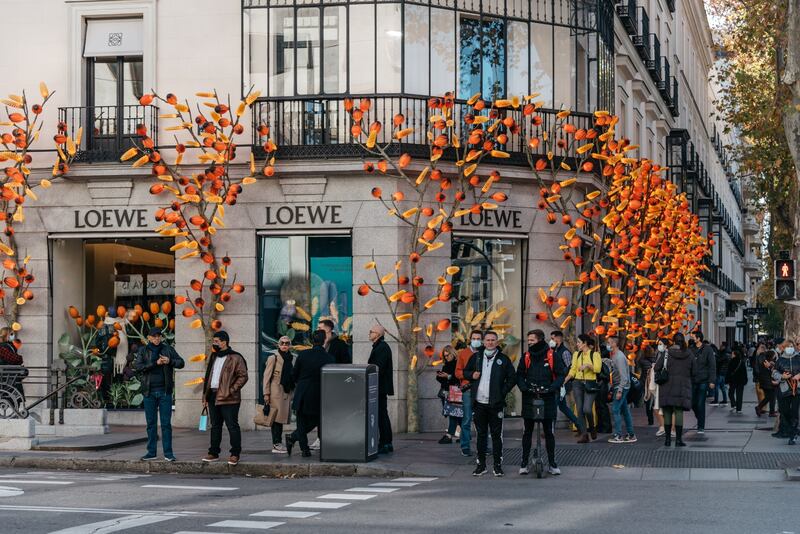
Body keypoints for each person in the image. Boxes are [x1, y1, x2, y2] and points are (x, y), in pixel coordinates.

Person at [464, 330, 516, 477]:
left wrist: (502, 392)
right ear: (483, 342)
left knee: (496, 435)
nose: (490, 342)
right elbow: (465, 371)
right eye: (487, 340)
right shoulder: (476, 357)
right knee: (480, 434)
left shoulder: (503, 359)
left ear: (497, 342)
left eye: (493, 340)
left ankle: (497, 465)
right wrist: (471, 375)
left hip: (495, 403)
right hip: (479, 403)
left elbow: (512, 378)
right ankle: (481, 465)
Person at [517, 329, 565, 475]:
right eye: (528, 340)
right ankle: (524, 462)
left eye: (532, 340)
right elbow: (519, 375)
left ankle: (552, 463)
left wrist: (552, 388)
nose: (529, 343)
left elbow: (561, 374)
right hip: (529, 397)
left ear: (540, 340)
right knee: (527, 432)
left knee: (549, 433)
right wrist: (524, 388)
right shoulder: (526, 356)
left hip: (548, 397)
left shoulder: (552, 355)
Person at [133, 327, 185, 462]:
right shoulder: (143, 351)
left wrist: (170, 361)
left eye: (158, 336)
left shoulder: (168, 349)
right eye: (154, 336)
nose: (157, 339)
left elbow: (181, 363)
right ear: (149, 338)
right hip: (149, 392)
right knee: (151, 424)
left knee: (166, 424)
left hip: (164, 392)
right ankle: (151, 452)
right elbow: (138, 367)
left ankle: (168, 453)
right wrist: (155, 363)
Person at [202, 331, 248, 465]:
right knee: (215, 426)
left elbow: (243, 376)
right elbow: (208, 376)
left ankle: (235, 454)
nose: (214, 343)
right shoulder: (214, 356)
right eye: (214, 341)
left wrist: (231, 390)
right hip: (213, 395)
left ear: (224, 342)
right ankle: (213, 452)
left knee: (232, 426)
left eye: (216, 341)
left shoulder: (235, 357)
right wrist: (205, 396)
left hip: (229, 398)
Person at [286, 329, 335, 456]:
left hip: (303, 391)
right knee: (316, 421)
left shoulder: (303, 355)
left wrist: (299, 383)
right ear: (324, 340)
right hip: (319, 393)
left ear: (312, 340)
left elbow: (294, 374)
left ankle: (304, 449)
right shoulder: (329, 358)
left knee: (301, 421)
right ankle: (293, 438)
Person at [655, 333, 695, 447]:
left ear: (673, 341)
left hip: (667, 386)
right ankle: (678, 440)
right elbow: (694, 371)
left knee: (667, 412)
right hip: (682, 387)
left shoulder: (667, 353)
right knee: (678, 412)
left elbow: (657, 367)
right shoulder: (689, 354)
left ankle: (667, 440)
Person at [564, 334, 602, 443]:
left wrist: (588, 365)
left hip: (590, 384)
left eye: (579, 342)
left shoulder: (595, 355)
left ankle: (592, 427)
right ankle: (584, 434)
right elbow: (573, 370)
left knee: (587, 409)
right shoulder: (576, 354)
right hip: (577, 383)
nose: (577, 344)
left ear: (585, 343)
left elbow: (598, 369)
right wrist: (565, 380)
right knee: (579, 410)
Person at [263, 336, 295, 454]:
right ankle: (276, 444)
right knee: (276, 418)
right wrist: (266, 393)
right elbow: (266, 376)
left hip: (287, 391)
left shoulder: (292, 358)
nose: (284, 345)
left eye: (287, 343)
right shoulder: (273, 358)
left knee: (280, 419)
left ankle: (278, 443)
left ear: (290, 345)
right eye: (282, 343)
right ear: (278, 345)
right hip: (275, 390)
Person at [455, 329, 483, 456]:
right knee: (467, 419)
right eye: (474, 338)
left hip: (482, 389)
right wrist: (471, 375)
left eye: (478, 338)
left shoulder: (484, 353)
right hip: (468, 388)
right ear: (470, 339)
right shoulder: (463, 354)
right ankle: (465, 446)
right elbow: (457, 372)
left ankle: (484, 446)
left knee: (483, 419)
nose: (476, 340)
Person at [367, 325, 394, 454]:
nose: (369, 333)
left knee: (382, 414)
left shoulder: (382, 347)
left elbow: (378, 367)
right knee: (381, 414)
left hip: (380, 387)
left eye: (371, 332)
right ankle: (385, 442)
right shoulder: (379, 347)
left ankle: (386, 442)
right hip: (378, 386)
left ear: (377, 334)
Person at [608, 335, 636, 443]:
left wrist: (619, 390)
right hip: (621, 386)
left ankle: (618, 435)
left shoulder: (619, 357)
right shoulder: (615, 355)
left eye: (609, 343)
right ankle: (631, 434)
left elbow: (624, 376)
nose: (608, 345)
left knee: (615, 410)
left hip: (621, 387)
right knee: (625, 410)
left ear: (614, 344)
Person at [772, 339, 800, 444]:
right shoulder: (780, 360)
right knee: (785, 411)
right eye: (788, 346)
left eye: (791, 346)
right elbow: (774, 373)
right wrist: (782, 377)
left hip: (797, 390)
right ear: (783, 348)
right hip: (784, 390)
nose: (790, 348)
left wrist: (799, 376)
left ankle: (792, 436)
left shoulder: (798, 358)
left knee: (794, 412)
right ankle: (792, 430)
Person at [550, 330, 579, 430]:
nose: (551, 341)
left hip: (562, 383)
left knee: (553, 405)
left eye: (553, 338)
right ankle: (579, 425)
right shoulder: (554, 350)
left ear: (559, 338)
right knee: (562, 407)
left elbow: (570, 368)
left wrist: (563, 381)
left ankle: (550, 429)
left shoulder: (565, 352)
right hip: (557, 382)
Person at [688, 331, 716, 434]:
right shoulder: (691, 349)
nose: (692, 338)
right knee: (692, 403)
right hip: (692, 380)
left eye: (694, 337)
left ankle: (701, 426)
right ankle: (699, 417)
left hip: (703, 380)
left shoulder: (708, 349)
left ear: (698, 338)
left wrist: (712, 380)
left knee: (700, 403)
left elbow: (712, 366)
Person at [436, 345, 461, 444]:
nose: (446, 357)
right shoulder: (446, 365)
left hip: (455, 391)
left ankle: (449, 435)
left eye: (447, 355)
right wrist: (441, 376)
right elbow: (441, 380)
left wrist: (449, 376)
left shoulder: (457, 363)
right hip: (447, 392)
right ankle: (462, 434)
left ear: (453, 353)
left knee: (454, 414)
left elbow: (459, 377)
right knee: (455, 414)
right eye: (444, 356)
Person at [755, 350, 778, 417]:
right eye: (774, 355)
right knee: (772, 397)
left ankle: (763, 408)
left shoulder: (765, 362)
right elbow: (772, 372)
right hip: (769, 383)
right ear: (772, 356)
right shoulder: (768, 363)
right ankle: (770, 412)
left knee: (768, 397)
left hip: (765, 382)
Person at [726, 346, 748, 414]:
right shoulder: (742, 362)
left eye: (732, 354)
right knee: (739, 394)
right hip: (741, 381)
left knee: (730, 393)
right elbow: (745, 372)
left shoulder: (731, 362)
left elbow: (728, 372)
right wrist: (745, 380)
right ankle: (739, 409)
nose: (731, 355)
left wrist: (727, 380)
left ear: (735, 355)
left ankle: (733, 404)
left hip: (733, 381)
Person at [711, 342, 730, 407]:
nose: (720, 347)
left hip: (720, 372)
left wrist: (715, 355)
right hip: (723, 373)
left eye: (721, 346)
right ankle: (724, 400)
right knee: (722, 387)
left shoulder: (724, 354)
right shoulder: (726, 353)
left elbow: (719, 360)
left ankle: (716, 400)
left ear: (724, 347)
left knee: (716, 386)